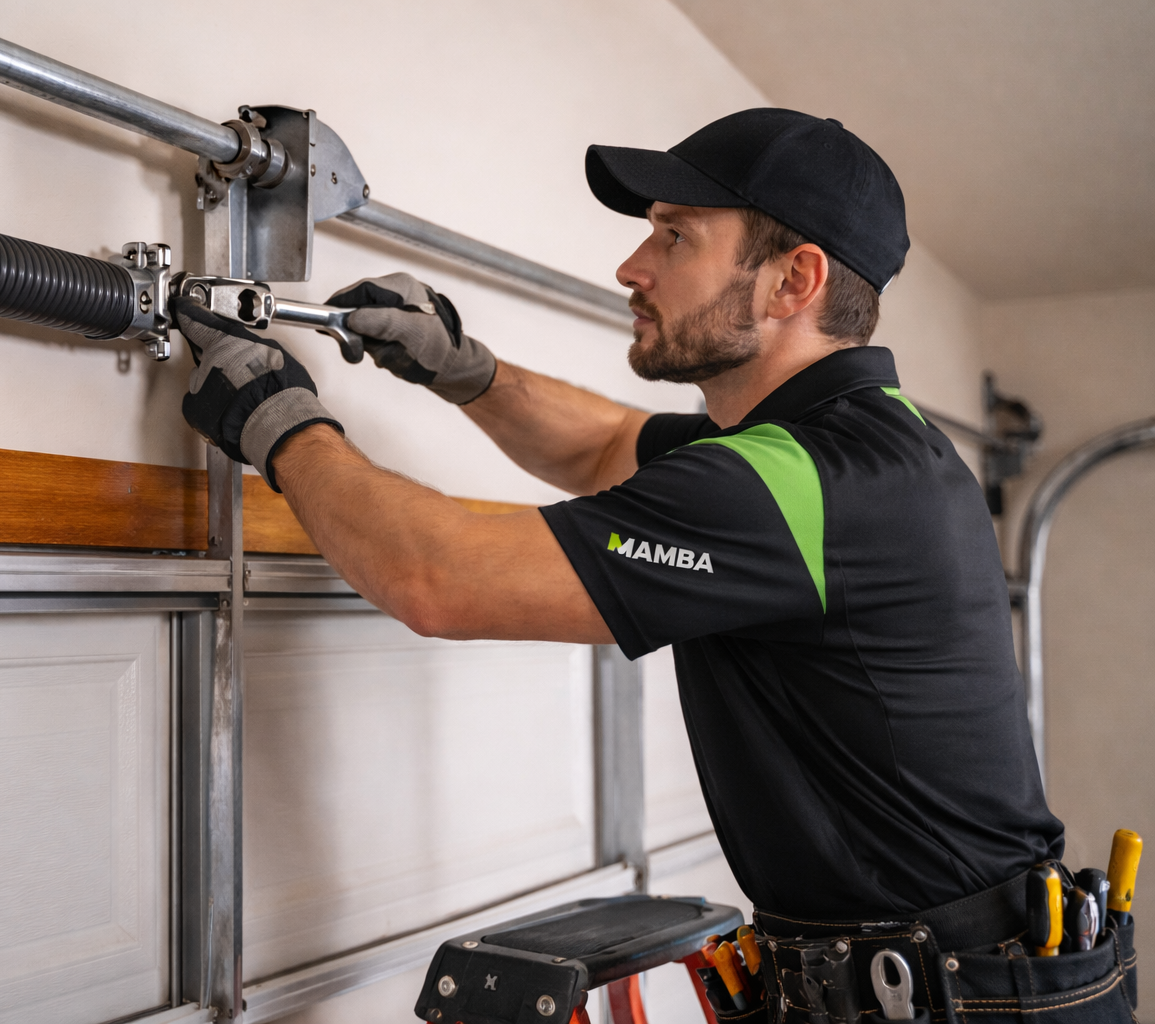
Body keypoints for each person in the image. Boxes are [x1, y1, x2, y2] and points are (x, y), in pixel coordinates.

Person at [174, 109, 1131, 1021]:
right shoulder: (855, 440)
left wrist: (281, 423)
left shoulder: (804, 481)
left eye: (676, 236)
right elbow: (606, 446)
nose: (632, 266)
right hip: (951, 978)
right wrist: (463, 368)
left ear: (792, 281)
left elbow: (438, 580)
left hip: (957, 997)